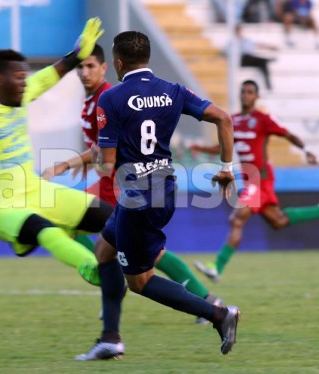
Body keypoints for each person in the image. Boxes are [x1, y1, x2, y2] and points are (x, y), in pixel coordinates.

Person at [76, 31, 240, 360]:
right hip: (163, 187)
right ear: (147, 58)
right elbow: (223, 117)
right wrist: (226, 168)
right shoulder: (173, 91)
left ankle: (218, 314)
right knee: (104, 250)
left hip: (138, 197)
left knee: (140, 282)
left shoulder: (110, 99)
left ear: (118, 63)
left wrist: (81, 159)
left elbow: (107, 164)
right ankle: (110, 337)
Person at [42, 44, 224, 324]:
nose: (84, 72)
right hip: (122, 182)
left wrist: (71, 163)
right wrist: (77, 163)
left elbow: (109, 152)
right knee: (130, 249)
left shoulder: (108, 97)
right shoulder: (92, 101)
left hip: (125, 186)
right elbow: (102, 148)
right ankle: (200, 301)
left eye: (90, 66)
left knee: (136, 253)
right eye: (80, 67)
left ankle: (115, 289)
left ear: (107, 67)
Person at [0, 18, 111, 286]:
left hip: (36, 190)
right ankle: (92, 268)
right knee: (47, 231)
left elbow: (48, 76)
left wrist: (76, 55)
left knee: (108, 216)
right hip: (1, 207)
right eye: (20, 78)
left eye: (26, 78)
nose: (26, 84)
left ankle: (138, 263)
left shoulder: (19, 94)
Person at [191, 80, 319, 283]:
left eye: (250, 92)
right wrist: (200, 148)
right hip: (250, 180)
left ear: (256, 96)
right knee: (277, 221)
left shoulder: (263, 120)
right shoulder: (233, 120)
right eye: (243, 91)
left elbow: (287, 135)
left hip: (260, 179)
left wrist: (306, 151)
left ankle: (217, 267)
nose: (246, 95)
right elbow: (222, 146)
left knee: (237, 218)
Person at [233, 24, 278, 91]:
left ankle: (268, 86)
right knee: (251, 58)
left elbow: (259, 44)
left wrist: (271, 47)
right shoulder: (232, 42)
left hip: (250, 59)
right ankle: (267, 60)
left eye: (239, 31)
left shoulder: (247, 40)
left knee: (263, 63)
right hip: (241, 60)